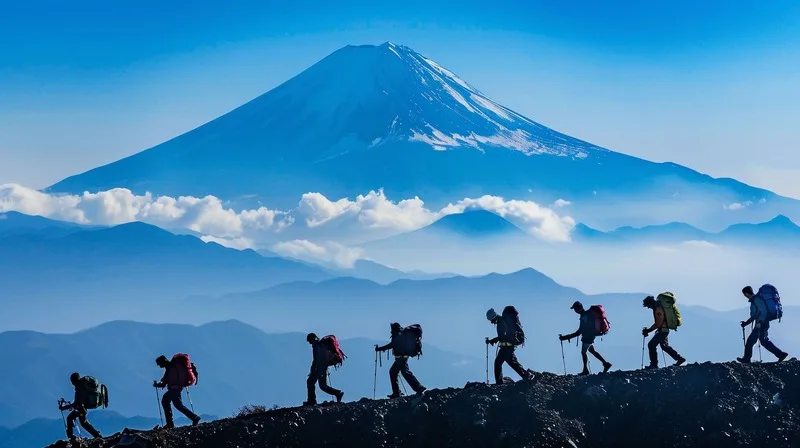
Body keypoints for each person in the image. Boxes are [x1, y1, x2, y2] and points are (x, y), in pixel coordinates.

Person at [559, 301, 612, 375]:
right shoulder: (588, 314)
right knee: (592, 350)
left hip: (588, 337)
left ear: (577, 309)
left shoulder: (584, 316)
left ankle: (585, 370)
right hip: (591, 336)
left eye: (574, 309)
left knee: (583, 352)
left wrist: (565, 337)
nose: (574, 311)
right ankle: (606, 364)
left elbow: (579, 332)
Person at [737, 286, 788, 363]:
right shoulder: (755, 300)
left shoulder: (756, 300)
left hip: (761, 324)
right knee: (764, 341)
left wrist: (760, 322)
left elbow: (763, 311)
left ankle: (746, 359)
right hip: (762, 323)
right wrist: (746, 323)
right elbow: (754, 315)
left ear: (746, 293)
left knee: (750, 341)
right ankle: (781, 354)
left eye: (744, 294)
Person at [375, 322, 427, 398]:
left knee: (396, 372)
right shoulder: (402, 333)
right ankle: (415, 389)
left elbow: (392, 345)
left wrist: (379, 349)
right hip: (404, 357)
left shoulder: (397, 335)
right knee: (401, 372)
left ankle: (417, 389)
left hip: (400, 358)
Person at [486, 307, 534, 384]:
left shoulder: (501, 322)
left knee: (498, 363)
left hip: (507, 346)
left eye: (491, 320)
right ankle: (527, 375)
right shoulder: (503, 321)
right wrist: (495, 340)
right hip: (509, 345)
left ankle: (499, 382)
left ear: (494, 317)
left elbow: (504, 336)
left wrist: (495, 340)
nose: (492, 322)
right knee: (513, 363)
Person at [153, 355, 201, 428]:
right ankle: (194, 418)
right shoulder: (172, 367)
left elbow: (165, 382)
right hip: (177, 388)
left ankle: (170, 424)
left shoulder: (170, 368)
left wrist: (157, 385)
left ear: (164, 361)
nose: (160, 366)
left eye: (159, 364)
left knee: (165, 401)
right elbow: (166, 382)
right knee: (178, 405)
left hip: (174, 389)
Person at [642, 296, 686, 369]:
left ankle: (654, 365)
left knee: (651, 345)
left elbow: (658, 323)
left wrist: (648, 330)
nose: (648, 308)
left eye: (648, 306)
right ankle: (679, 359)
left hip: (662, 331)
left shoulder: (658, 310)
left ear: (650, 303)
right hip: (663, 330)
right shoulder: (658, 307)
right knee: (664, 346)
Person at [58, 372, 102, 441]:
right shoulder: (83, 385)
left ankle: (71, 437)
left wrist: (64, 408)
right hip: (83, 407)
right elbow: (77, 402)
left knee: (70, 418)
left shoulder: (79, 387)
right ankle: (97, 435)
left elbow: (75, 403)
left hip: (81, 408)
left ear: (73, 381)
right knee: (83, 423)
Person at [304, 333, 345, 405]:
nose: (310, 343)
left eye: (310, 341)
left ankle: (312, 401)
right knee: (322, 386)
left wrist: (313, 369)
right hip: (322, 368)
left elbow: (316, 359)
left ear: (313, 339)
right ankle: (337, 393)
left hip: (319, 368)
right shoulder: (320, 345)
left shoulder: (318, 346)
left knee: (311, 382)